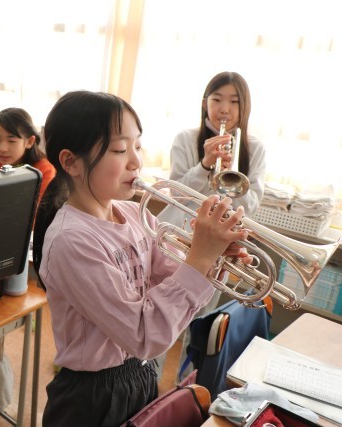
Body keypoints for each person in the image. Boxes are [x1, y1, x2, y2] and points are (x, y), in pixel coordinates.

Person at [32, 90, 252, 427]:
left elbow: (176, 285)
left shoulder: (136, 214)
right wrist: (200, 259)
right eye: (120, 150)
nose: (136, 161)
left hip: (140, 376)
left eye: (138, 146)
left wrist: (214, 258)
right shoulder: (71, 241)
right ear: (71, 162)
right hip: (91, 397)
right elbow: (145, 335)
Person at [156, 71, 267, 379]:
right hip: (178, 238)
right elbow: (176, 195)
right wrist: (205, 165)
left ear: (245, 107)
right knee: (163, 313)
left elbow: (252, 203)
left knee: (200, 321)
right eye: (217, 99)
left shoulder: (255, 148)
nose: (224, 109)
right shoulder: (185, 138)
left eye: (234, 101)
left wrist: (231, 184)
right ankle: (147, 383)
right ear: (205, 103)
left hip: (219, 245)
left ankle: (186, 390)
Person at [0, 107, 56, 203]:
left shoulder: (44, 169)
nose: (2, 149)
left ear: (29, 142)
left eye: (11, 141)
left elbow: (38, 210)